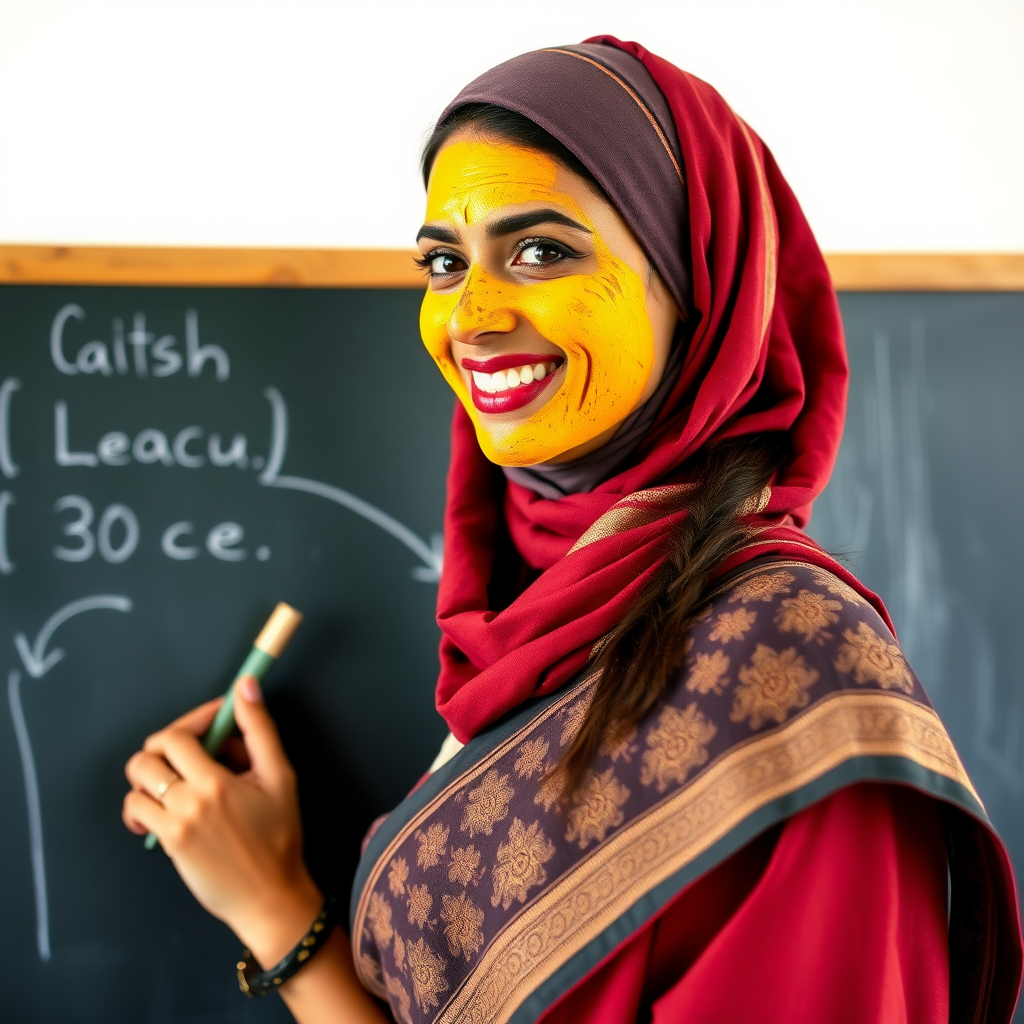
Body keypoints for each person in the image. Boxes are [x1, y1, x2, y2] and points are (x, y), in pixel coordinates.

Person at [123, 36, 1023, 1023]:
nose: (469, 314)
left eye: (541, 251)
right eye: (441, 261)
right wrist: (275, 907)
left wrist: (282, 918)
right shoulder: (536, 615)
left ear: (698, 287)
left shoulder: (793, 678)